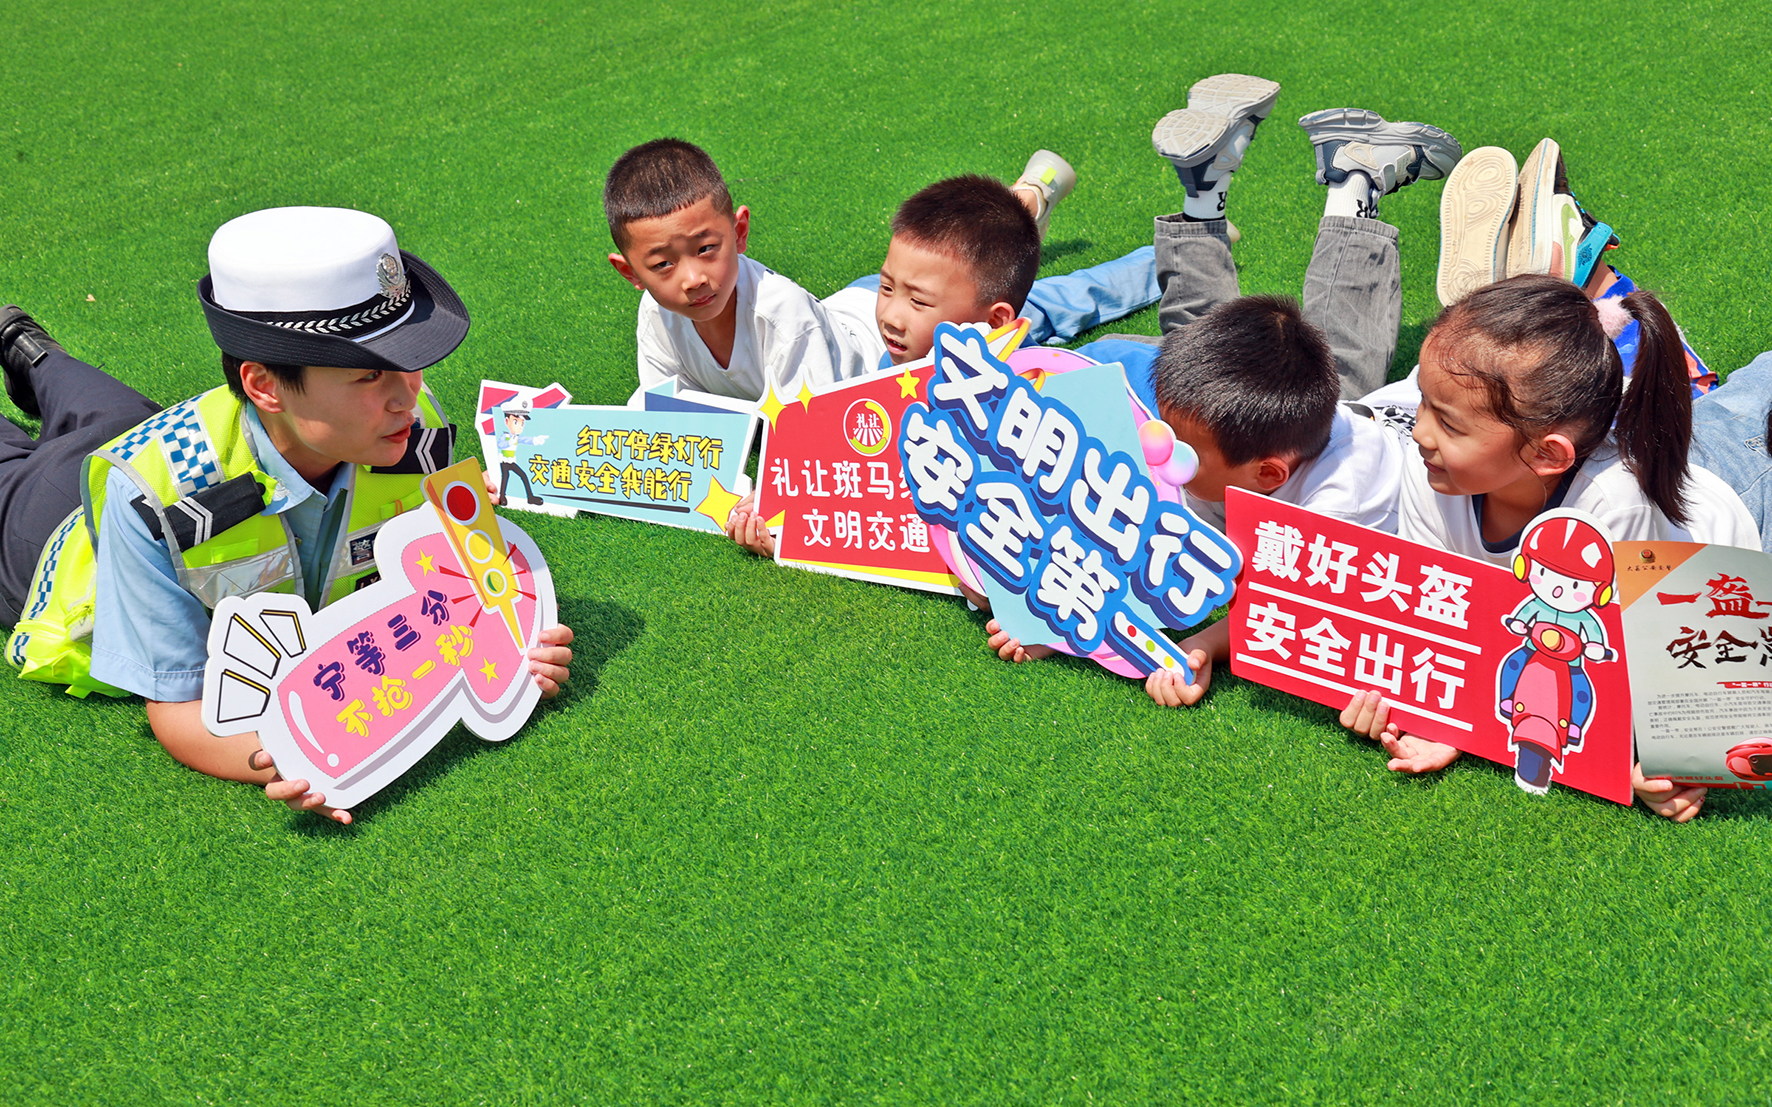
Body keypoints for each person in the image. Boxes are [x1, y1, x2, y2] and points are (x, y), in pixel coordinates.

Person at [1, 206, 576, 824]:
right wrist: (287, 756)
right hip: (42, 529)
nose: (406, 395)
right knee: (58, 445)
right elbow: (178, 708)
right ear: (264, 386)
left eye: (409, 360)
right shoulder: (145, 492)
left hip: (147, 434)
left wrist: (515, 648)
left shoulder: (409, 424)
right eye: (369, 375)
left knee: (102, 409)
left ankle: (28, 348)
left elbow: (453, 600)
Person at [987, 78, 1460, 702]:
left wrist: (1203, 647)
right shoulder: (1213, 455)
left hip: (1386, 432)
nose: (1154, 444)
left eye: (1179, 447)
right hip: (1320, 426)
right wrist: (1061, 617)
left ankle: (1303, 189)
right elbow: (1131, 544)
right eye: (1164, 426)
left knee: (1341, 359)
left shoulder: (1333, 509)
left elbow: (1276, 601)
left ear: (1266, 476)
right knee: (1219, 358)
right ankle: (1346, 183)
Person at [1337, 274, 1760, 821]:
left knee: (1752, 408)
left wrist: (1651, 762)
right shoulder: (1435, 472)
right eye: (1423, 403)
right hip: (1649, 455)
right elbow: (1440, 619)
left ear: (1547, 454)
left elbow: (1630, 670)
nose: (1419, 432)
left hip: (1736, 496)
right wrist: (1446, 723)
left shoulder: (1613, 507)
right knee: (1737, 406)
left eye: (1448, 423)